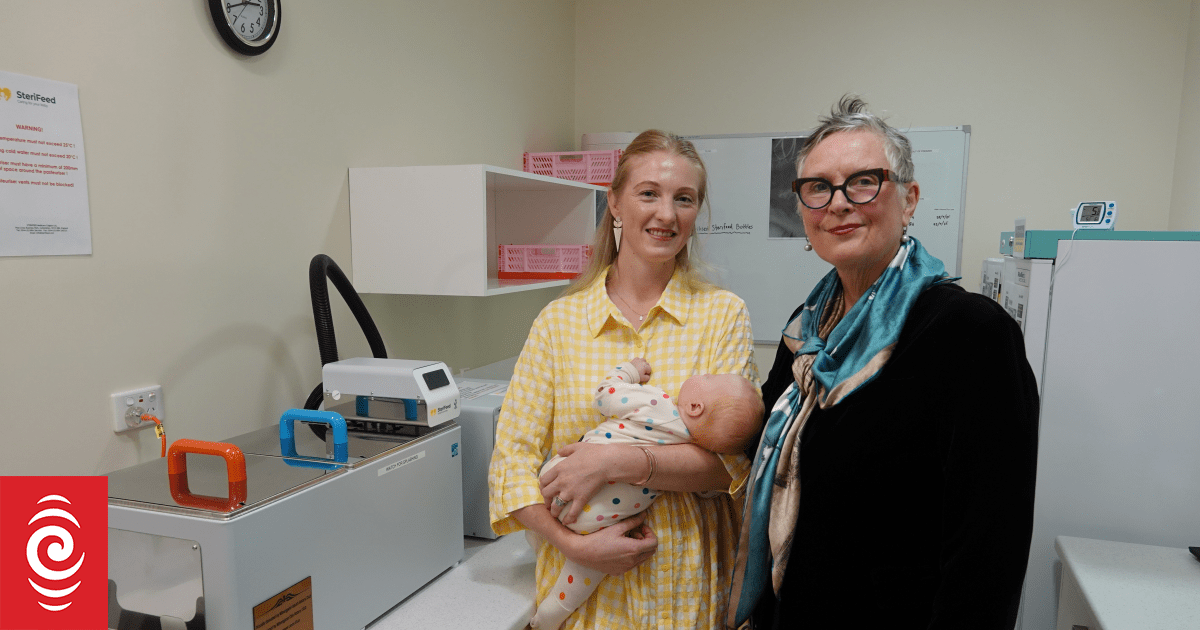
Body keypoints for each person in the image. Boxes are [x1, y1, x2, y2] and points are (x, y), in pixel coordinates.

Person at [727, 96, 1039, 630]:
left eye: (864, 181)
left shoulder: (970, 333)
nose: (839, 203)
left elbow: (988, 549)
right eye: (819, 187)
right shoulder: (807, 330)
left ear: (909, 199)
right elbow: (762, 441)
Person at [488, 129, 758, 630]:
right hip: (588, 603)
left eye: (684, 199)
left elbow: (730, 466)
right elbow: (511, 467)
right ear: (614, 202)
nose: (666, 214)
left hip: (685, 591)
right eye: (648, 193)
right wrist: (576, 546)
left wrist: (618, 460)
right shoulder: (558, 323)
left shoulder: (724, 316)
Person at [531, 358, 764, 629]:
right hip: (601, 525)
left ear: (695, 407)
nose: (704, 374)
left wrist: (628, 372)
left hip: (562, 483)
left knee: (537, 524)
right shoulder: (693, 455)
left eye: (709, 378)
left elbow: (605, 395)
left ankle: (536, 538)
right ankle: (552, 613)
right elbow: (716, 486)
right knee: (587, 570)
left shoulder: (659, 404)